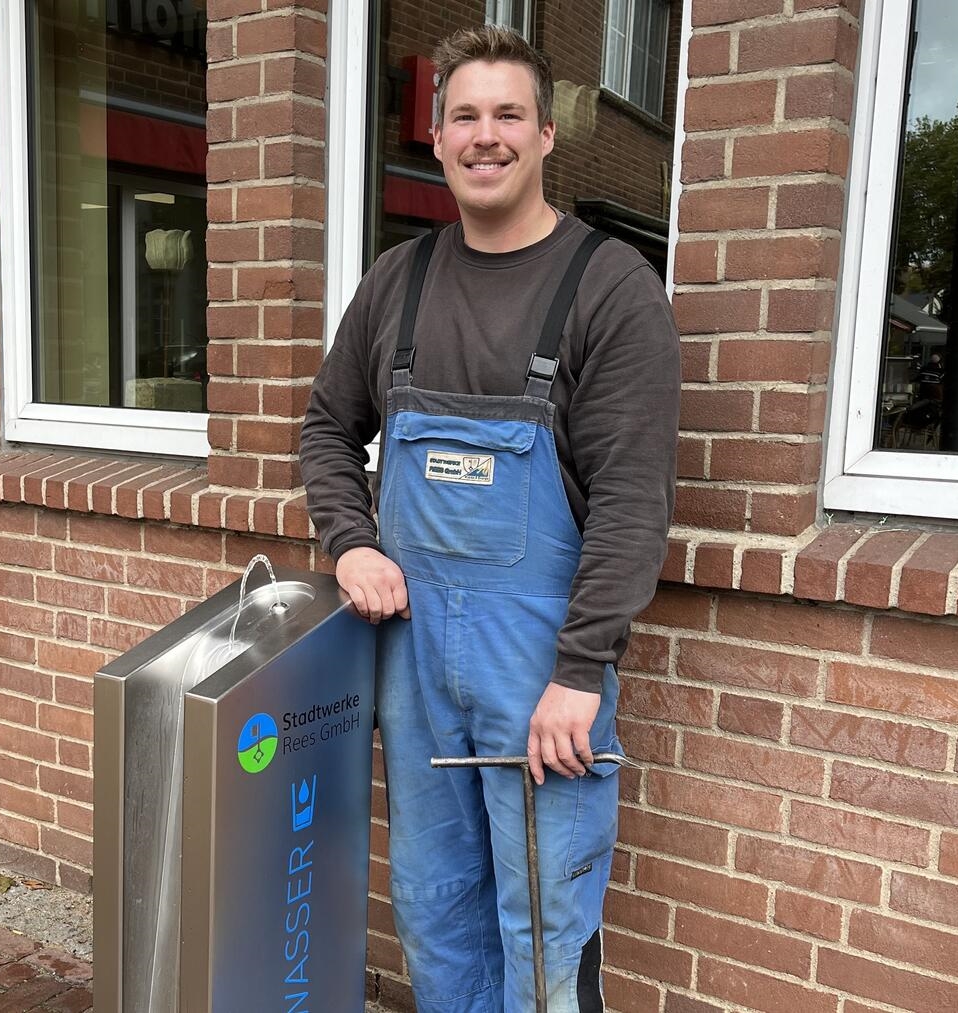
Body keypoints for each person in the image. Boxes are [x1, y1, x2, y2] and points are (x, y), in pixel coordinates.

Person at [299, 26, 680, 1013]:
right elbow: (327, 431)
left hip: (542, 671)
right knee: (436, 911)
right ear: (436, 137)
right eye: (464, 115)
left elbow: (634, 500)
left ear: (548, 134)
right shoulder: (397, 283)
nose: (486, 136)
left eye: (509, 114)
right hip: (413, 662)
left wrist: (578, 669)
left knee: (545, 932)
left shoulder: (610, 290)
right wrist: (352, 542)